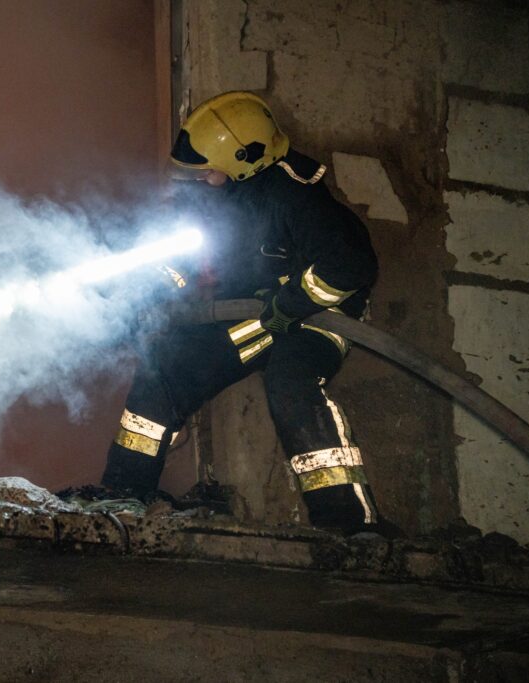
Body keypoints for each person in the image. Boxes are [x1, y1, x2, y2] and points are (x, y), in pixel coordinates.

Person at [100, 91, 381, 534]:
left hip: (318, 316)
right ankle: (120, 503)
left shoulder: (295, 195)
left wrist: (293, 304)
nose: (203, 178)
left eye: (210, 169)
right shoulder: (222, 198)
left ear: (244, 159)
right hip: (258, 316)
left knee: (291, 386)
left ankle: (352, 530)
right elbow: (181, 259)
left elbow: (348, 266)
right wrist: (140, 297)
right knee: (164, 374)